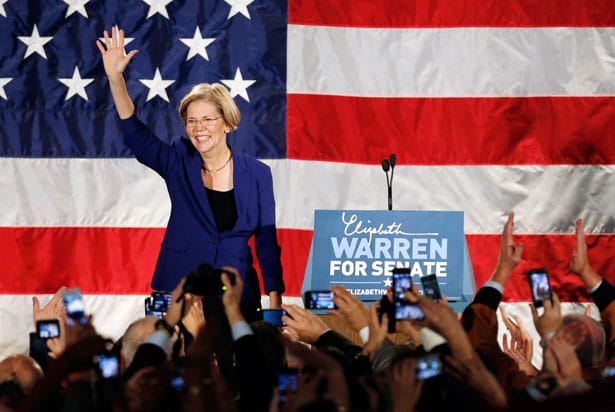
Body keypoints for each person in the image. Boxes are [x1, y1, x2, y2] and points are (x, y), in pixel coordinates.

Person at [96, 26, 285, 321]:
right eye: (191, 121)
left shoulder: (258, 174)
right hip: (180, 291)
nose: (199, 128)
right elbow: (136, 135)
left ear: (228, 124)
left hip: (237, 295)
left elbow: (266, 241)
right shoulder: (178, 162)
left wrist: (275, 300)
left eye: (208, 119)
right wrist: (115, 79)